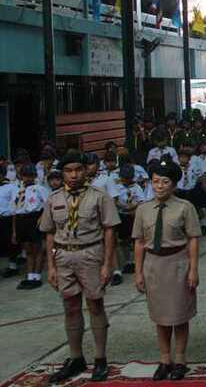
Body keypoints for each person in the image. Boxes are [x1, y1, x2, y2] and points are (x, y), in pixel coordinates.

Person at [39, 151, 121, 383]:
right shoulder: (54, 198)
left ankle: (100, 358)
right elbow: (49, 233)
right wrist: (51, 266)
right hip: (64, 256)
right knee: (70, 306)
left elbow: (109, 231)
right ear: (62, 173)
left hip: (90, 254)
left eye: (78, 170)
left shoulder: (99, 196)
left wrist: (107, 264)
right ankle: (76, 358)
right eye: (68, 171)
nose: (73, 175)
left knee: (95, 305)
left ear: (86, 171)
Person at [133, 159, 201, 381]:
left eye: (165, 182)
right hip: (154, 265)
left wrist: (193, 269)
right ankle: (164, 360)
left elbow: (193, 239)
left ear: (173, 184)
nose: (159, 186)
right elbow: (139, 242)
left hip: (177, 263)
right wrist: (138, 272)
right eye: (155, 182)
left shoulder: (185, 207)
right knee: (160, 316)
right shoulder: (143, 209)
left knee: (180, 314)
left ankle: (180, 359)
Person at [11, 163, 50, 289]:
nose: (27, 178)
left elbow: (48, 205)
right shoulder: (17, 190)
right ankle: (30, 276)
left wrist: (42, 218)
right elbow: (14, 211)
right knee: (28, 249)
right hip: (21, 220)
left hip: (34, 218)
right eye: (25, 175)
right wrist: (14, 231)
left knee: (38, 249)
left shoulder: (39, 188)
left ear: (34, 176)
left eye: (30, 175)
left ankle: (36, 276)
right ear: (20, 176)